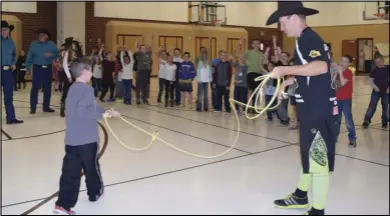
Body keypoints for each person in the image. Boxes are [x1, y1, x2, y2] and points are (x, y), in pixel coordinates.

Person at [266, 2, 337, 215]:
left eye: (281, 22)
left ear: (293, 18)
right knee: (309, 154)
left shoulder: (308, 39)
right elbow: (310, 74)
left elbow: (320, 67)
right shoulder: (303, 40)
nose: (281, 27)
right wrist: (288, 84)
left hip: (318, 110)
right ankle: (300, 195)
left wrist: (285, 69)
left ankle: (317, 211)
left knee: (318, 160)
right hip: (311, 109)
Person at [53, 57, 118, 215]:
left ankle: (63, 205)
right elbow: (84, 110)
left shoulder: (73, 88)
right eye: (90, 69)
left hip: (72, 140)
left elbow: (90, 105)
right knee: (91, 168)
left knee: (70, 173)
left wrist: (104, 110)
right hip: (87, 140)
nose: (92, 72)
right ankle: (95, 193)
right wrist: (105, 116)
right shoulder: (88, 89)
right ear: (84, 72)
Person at [26, 28, 59, 114]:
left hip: (47, 69)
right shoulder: (33, 45)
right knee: (35, 88)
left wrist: (51, 55)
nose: (41, 37)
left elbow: (58, 54)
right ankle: (33, 107)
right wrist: (28, 69)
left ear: (47, 36)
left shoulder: (52, 44)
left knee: (47, 88)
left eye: (43, 35)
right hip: (37, 68)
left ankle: (46, 107)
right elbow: (29, 57)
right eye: (39, 35)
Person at [1, 20, 23, 125]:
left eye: (6, 29)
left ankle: (11, 118)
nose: (4, 31)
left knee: (9, 95)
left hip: (8, 72)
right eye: (2, 30)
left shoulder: (11, 42)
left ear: (9, 30)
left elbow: (14, 54)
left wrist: (14, 63)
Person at [334, 55, 357, 147]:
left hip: (345, 100)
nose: (342, 63)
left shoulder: (348, 72)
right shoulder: (337, 72)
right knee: (336, 120)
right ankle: (334, 137)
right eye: (341, 60)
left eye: (345, 61)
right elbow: (333, 84)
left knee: (348, 120)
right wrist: (335, 73)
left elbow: (343, 83)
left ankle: (352, 139)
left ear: (349, 64)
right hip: (336, 100)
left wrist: (340, 73)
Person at [362, 55, 389, 129]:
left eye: (380, 62)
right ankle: (367, 120)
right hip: (376, 91)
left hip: (386, 92)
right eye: (376, 63)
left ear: (383, 61)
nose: (378, 64)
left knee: (386, 107)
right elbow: (370, 80)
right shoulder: (375, 70)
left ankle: (384, 122)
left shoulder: (387, 69)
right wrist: (375, 87)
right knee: (372, 106)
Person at [59, 37, 84, 117]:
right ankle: (62, 108)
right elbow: (65, 65)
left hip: (76, 73)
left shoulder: (78, 53)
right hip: (69, 73)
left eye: (75, 44)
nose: (74, 46)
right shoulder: (67, 52)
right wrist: (69, 76)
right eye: (73, 44)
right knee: (66, 91)